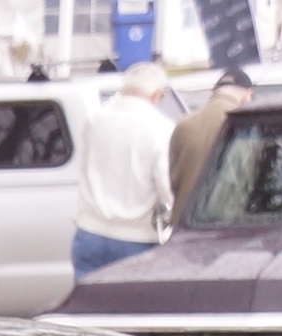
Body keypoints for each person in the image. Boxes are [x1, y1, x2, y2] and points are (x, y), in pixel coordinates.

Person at [73, 61, 180, 282]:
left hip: (90, 232)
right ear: (157, 95)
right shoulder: (160, 128)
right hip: (136, 238)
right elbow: (165, 186)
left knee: (88, 301)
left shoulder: (95, 121)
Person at [166, 65, 256, 224]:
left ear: (214, 91)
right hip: (225, 223)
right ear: (248, 94)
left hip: (184, 223)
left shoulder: (184, 125)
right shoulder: (244, 126)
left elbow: (173, 179)